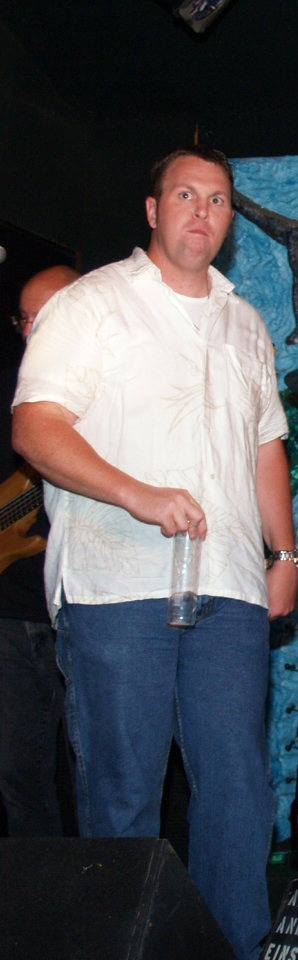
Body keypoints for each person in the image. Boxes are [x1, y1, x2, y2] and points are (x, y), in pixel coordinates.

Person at [12, 145, 298, 960]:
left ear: (230, 219)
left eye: (217, 200)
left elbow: (265, 447)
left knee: (239, 794)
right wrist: (136, 493)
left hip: (233, 586)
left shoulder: (246, 322)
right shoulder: (91, 303)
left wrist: (285, 556)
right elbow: (35, 428)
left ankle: (235, 947)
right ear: (151, 210)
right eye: (185, 194)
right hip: (117, 584)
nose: (202, 212)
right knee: (123, 792)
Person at [0, 265, 79, 838]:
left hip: (83, 605)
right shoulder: (11, 387)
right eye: (24, 318)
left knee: (92, 769)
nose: (32, 330)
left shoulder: (112, 391)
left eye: (43, 315)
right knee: (19, 771)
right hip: (10, 614)